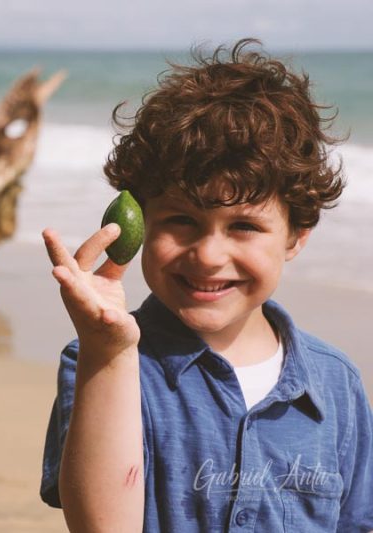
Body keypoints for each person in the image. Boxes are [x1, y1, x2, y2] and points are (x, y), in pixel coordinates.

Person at [39, 39, 373, 532]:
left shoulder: (336, 384)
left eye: (244, 226)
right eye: (181, 220)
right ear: (141, 225)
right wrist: (107, 353)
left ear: (297, 236)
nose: (209, 256)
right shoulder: (102, 362)